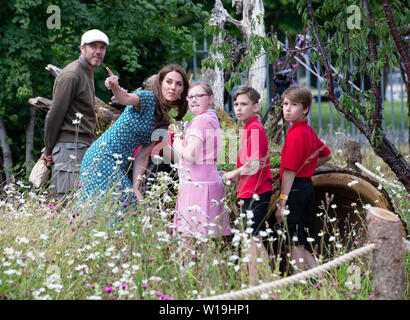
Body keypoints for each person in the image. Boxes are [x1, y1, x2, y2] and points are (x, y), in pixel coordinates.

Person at [77, 64, 189, 206]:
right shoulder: (147, 98)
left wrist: (136, 187)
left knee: (126, 206)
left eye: (178, 84)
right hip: (102, 156)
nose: (173, 87)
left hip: (117, 164)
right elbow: (125, 98)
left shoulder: (163, 121)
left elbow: (143, 155)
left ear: (182, 90)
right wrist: (115, 87)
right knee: (119, 209)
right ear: (160, 84)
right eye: (169, 82)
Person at [40, 29, 109, 198]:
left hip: (79, 146)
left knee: (79, 205)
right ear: (82, 48)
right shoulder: (72, 74)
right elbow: (54, 115)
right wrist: (48, 149)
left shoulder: (87, 71)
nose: (98, 51)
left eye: (102, 47)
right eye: (93, 46)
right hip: (69, 148)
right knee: (67, 204)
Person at [274, 86, 332, 271]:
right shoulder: (308, 130)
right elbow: (326, 155)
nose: (287, 109)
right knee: (302, 242)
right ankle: (320, 280)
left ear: (305, 108)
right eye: (285, 104)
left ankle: (300, 284)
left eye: (294, 105)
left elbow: (289, 173)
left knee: (293, 242)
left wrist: (282, 202)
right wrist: (308, 167)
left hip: (295, 190)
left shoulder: (294, 136)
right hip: (308, 187)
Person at [222, 86, 273, 286]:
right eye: (236, 104)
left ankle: (255, 285)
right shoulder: (248, 127)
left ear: (256, 106)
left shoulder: (253, 128)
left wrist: (232, 174)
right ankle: (265, 283)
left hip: (256, 191)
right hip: (249, 188)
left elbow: (252, 164)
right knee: (254, 239)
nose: (239, 108)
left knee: (253, 241)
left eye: (244, 104)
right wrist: (238, 175)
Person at [172, 81, 231, 246]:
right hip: (209, 183)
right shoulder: (212, 118)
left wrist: (177, 141)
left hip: (197, 187)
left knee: (188, 244)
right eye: (190, 97)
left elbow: (190, 155)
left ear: (211, 98)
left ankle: (185, 272)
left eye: (199, 96)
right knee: (207, 246)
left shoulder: (200, 120)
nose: (193, 100)